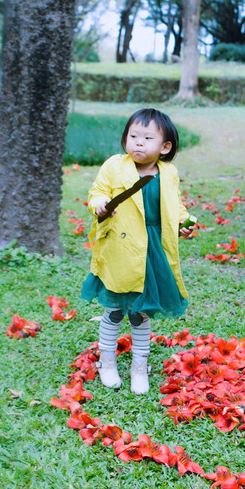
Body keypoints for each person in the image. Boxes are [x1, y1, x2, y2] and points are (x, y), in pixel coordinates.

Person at [81, 107, 195, 395]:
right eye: (133, 135)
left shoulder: (168, 173)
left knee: (140, 312)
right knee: (115, 308)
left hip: (153, 249)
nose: (138, 142)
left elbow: (175, 205)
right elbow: (97, 192)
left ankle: (139, 367)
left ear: (165, 147)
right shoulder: (114, 166)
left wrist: (184, 222)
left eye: (147, 137)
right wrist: (99, 204)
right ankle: (107, 363)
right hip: (122, 247)